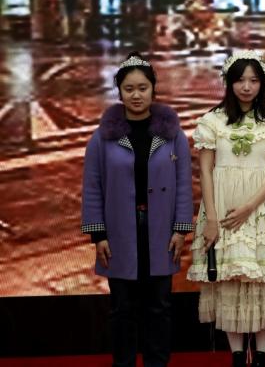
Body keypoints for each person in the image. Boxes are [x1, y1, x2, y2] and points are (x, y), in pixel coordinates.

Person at [187, 50, 265, 367]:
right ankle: (237, 356)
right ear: (229, 82)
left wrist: (250, 206)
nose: (247, 87)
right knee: (229, 277)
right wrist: (212, 219)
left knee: (264, 277)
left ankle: (262, 356)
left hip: (263, 206)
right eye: (240, 80)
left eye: (254, 80)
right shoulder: (212, 121)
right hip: (222, 206)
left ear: (263, 83)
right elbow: (205, 170)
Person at [81, 51, 194, 367]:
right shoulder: (103, 137)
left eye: (142, 88)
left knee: (159, 307)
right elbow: (92, 186)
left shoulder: (172, 135)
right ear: (119, 92)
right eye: (128, 88)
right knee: (122, 309)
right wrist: (98, 235)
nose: (136, 95)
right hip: (119, 232)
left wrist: (180, 229)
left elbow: (184, 184)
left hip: (160, 232)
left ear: (153, 90)